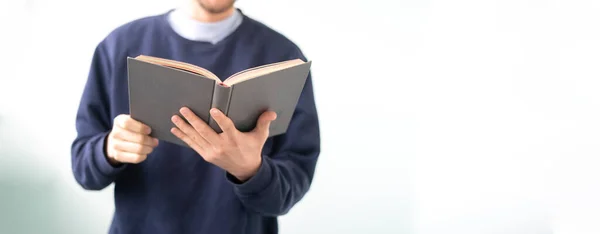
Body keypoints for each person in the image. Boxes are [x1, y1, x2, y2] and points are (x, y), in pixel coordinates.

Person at [70, 0, 320, 233]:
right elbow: (83, 169)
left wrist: (251, 171)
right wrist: (110, 149)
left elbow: (289, 189)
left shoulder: (283, 57)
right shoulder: (119, 46)